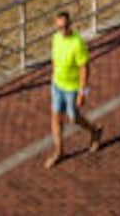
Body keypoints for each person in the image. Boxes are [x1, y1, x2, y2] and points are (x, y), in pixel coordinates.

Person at [44, 11, 103, 167]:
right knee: (56, 118)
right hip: (57, 85)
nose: (61, 30)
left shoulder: (77, 43)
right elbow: (54, 59)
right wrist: (53, 77)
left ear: (70, 25)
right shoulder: (55, 38)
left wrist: (82, 92)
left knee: (74, 118)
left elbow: (85, 68)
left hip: (72, 88)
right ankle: (59, 150)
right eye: (58, 27)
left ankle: (95, 130)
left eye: (64, 27)